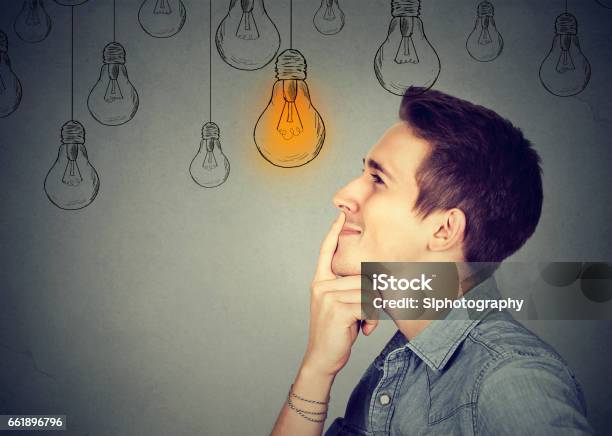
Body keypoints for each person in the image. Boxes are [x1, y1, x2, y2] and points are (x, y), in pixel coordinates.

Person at [270, 88, 593, 435]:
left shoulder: (510, 379)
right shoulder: (400, 366)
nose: (343, 196)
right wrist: (317, 370)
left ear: (444, 229)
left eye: (378, 179)